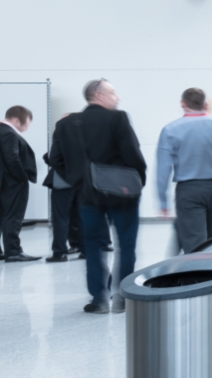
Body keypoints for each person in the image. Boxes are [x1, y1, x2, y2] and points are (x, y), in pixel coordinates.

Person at [75, 80, 147, 314]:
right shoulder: (118, 118)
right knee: (126, 244)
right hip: (121, 193)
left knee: (93, 246)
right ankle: (123, 296)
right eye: (113, 93)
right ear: (98, 95)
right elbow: (133, 154)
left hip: (87, 195)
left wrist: (81, 182)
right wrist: (138, 181)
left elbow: (58, 158)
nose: (117, 98)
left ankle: (98, 298)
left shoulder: (69, 123)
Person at [156, 88, 212, 253]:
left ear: (182, 104)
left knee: (194, 243)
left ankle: (196, 277)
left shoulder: (170, 130)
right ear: (205, 104)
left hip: (189, 190)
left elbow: (163, 168)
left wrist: (162, 201)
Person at [44, 112, 86, 262]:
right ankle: (85, 250)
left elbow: (53, 157)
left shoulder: (61, 127)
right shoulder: (91, 128)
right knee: (82, 216)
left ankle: (59, 253)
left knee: (61, 218)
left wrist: (67, 174)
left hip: (63, 182)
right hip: (84, 182)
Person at [1, 106, 40, 263]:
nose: (27, 127)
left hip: (3, 183)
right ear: (17, 120)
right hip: (12, 184)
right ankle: (13, 252)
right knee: (13, 217)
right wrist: (22, 178)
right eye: (26, 123)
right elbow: (12, 159)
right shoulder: (9, 133)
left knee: (2, 217)